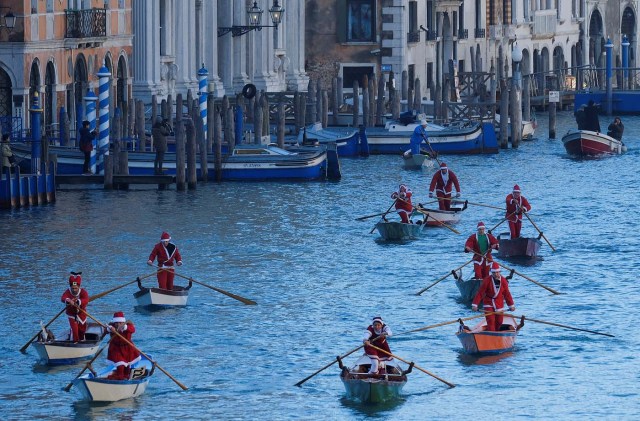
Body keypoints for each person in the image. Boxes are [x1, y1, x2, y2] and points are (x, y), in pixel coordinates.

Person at [472, 262, 516, 331]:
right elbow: (480, 293)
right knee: (491, 321)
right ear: (491, 273)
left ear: (499, 272)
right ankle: (492, 334)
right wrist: (475, 304)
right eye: (494, 273)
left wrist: (511, 305)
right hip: (488, 302)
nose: (496, 274)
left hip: (499, 302)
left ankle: (497, 333)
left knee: (499, 321)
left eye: (497, 272)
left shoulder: (504, 281)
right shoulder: (487, 280)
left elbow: (507, 294)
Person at [106, 311, 141, 380]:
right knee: (120, 364)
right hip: (116, 349)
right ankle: (120, 377)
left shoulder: (128, 326)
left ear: (123, 322)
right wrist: (109, 329)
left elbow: (133, 330)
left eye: (120, 323)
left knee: (127, 365)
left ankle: (126, 376)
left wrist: (124, 327)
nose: (118, 324)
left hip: (128, 349)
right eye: (117, 323)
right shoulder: (112, 327)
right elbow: (105, 330)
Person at [60, 272, 89, 342]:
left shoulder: (83, 292)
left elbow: (86, 300)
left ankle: (82, 341)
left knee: (82, 330)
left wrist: (78, 301)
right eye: (72, 288)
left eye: (76, 288)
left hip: (81, 314)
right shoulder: (68, 291)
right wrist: (68, 300)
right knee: (75, 331)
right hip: (72, 314)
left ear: (79, 287)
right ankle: (75, 342)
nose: (74, 290)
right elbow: (63, 298)